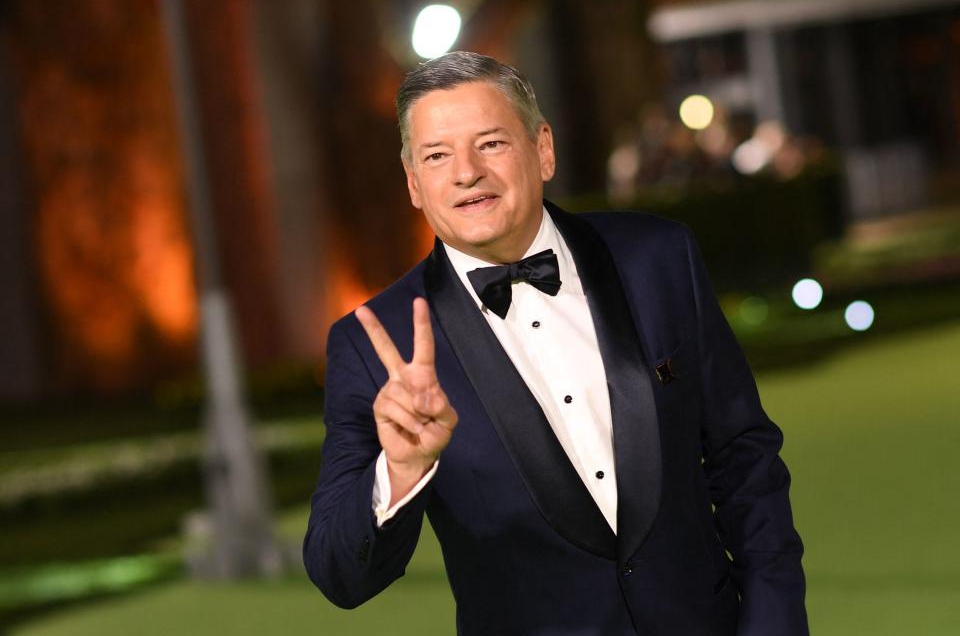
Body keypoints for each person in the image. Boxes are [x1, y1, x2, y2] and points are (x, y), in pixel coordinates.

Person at [304, 51, 808, 635]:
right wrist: (400, 470)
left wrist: (774, 623)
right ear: (414, 183)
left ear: (543, 149)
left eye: (490, 143)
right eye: (437, 156)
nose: (466, 172)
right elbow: (338, 575)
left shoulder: (658, 258)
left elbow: (744, 460)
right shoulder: (373, 344)